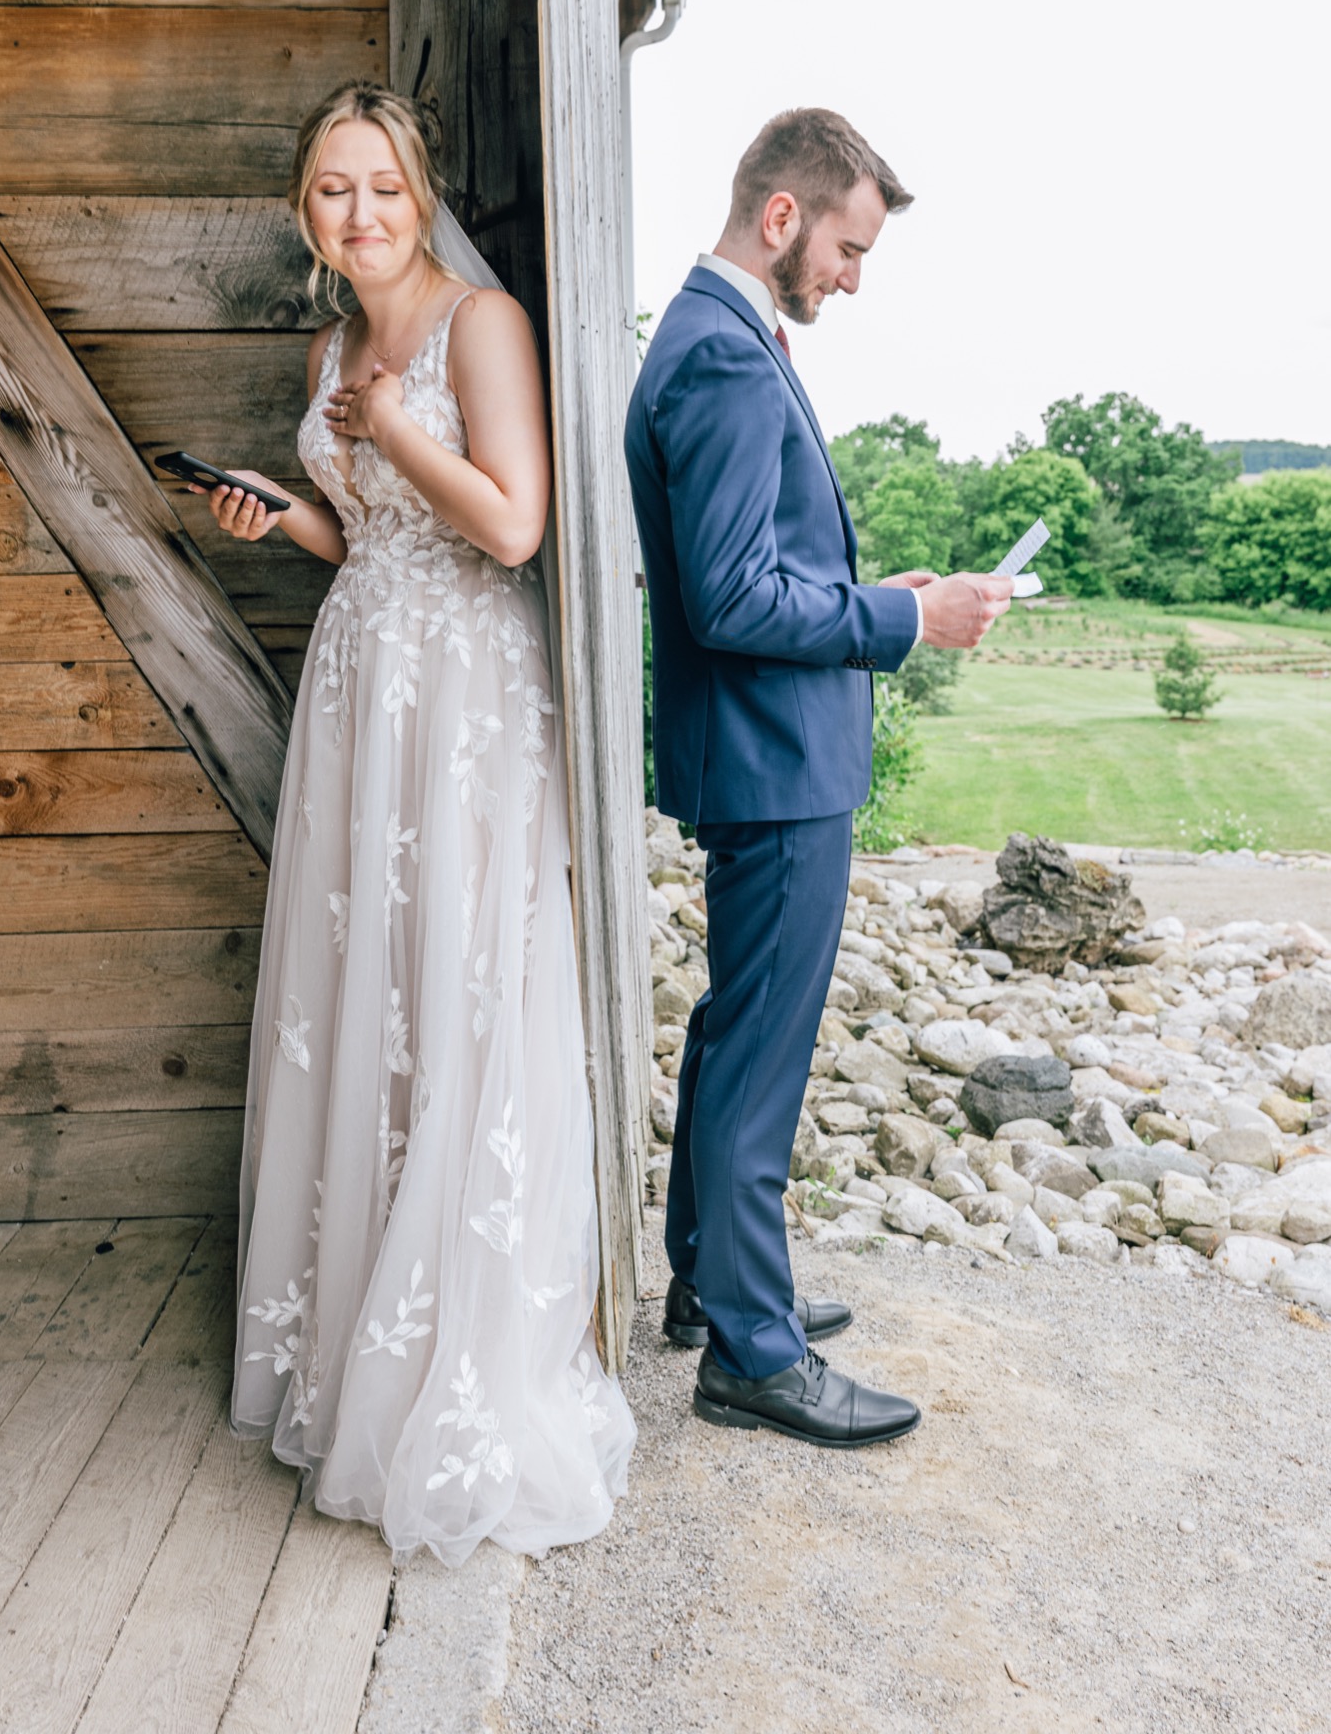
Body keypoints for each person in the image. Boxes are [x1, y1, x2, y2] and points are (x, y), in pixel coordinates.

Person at [213, 80, 633, 1563]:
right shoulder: (334, 342)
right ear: (303, 216)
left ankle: (456, 1348)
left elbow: (510, 526)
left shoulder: (480, 325)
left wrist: (389, 425)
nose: (362, 213)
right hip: (360, 688)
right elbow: (370, 528)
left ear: (418, 186)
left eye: (381, 184)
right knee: (366, 996)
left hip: (461, 694)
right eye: (333, 191)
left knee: (456, 990)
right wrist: (296, 509)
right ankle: (353, 1331)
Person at [624, 108, 1012, 1447]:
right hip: (775, 762)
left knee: (736, 1027)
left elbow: (754, 572)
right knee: (760, 1051)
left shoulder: (707, 334)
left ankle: (706, 1288)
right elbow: (731, 598)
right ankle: (751, 1351)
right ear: (780, 218)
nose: (852, 275)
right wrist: (908, 625)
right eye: (846, 247)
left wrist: (864, 591)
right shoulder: (724, 357)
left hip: (762, 753)